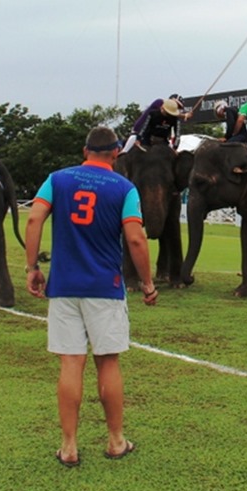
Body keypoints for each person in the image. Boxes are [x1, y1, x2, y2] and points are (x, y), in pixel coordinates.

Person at [24, 126, 158, 468]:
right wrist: (147, 283)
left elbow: (35, 217)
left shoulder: (57, 179)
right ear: (115, 153)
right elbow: (136, 239)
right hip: (105, 288)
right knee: (108, 362)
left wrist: (31, 267)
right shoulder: (125, 188)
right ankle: (115, 441)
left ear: (85, 150)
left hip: (64, 286)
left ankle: (68, 446)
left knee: (70, 362)